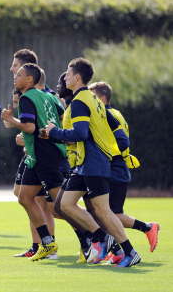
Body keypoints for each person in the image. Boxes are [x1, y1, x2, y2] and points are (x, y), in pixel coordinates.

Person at [45, 57, 141, 268]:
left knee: (103, 211)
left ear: (77, 77)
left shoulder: (80, 102)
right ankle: (101, 237)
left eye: (68, 73)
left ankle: (129, 251)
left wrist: (53, 132)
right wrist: (122, 145)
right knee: (63, 205)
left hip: (93, 163)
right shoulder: (94, 99)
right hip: (85, 163)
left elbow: (80, 133)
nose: (65, 77)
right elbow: (115, 125)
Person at [89, 81, 159, 261]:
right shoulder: (114, 113)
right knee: (104, 212)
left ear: (103, 98)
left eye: (93, 97)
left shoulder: (108, 114)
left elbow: (115, 144)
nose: (90, 101)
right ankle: (116, 251)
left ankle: (147, 228)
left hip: (115, 168)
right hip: (113, 167)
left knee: (109, 214)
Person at [1, 63, 65, 261]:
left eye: (18, 72)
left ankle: (96, 236)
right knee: (25, 198)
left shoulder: (28, 97)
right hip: (37, 157)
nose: (14, 74)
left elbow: (29, 127)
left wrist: (12, 120)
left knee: (62, 207)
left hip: (45, 156)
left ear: (29, 79)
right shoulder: (49, 97)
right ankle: (47, 243)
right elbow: (62, 116)